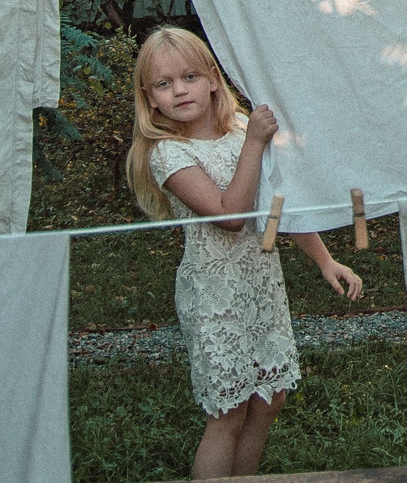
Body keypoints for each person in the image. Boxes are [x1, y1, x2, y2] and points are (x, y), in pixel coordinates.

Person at [126, 25, 363, 481]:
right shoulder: (168, 154)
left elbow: (275, 206)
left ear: (213, 79)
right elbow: (230, 215)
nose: (179, 90)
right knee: (230, 409)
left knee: (268, 399)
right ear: (150, 98)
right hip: (215, 292)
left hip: (260, 283)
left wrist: (324, 260)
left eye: (189, 76)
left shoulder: (238, 129)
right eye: (164, 83)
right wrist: (254, 143)